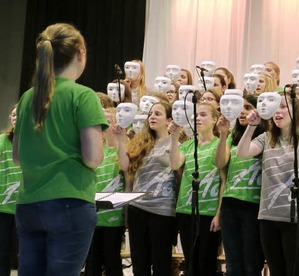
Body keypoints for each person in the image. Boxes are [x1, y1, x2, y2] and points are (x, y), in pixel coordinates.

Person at [12, 23, 107, 276]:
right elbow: (93, 158)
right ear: (80, 52)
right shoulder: (84, 96)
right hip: (70, 203)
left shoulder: (27, 97)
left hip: (29, 203)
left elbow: (18, 157)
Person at [237, 92, 299, 276]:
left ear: (296, 112)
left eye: (284, 107)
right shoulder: (266, 137)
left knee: (296, 270)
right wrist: (252, 127)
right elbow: (242, 152)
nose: (278, 111)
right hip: (268, 216)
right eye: (275, 107)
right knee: (276, 270)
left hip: (296, 217)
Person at [116, 101, 177, 276]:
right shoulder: (141, 141)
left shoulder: (173, 142)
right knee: (139, 264)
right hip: (138, 208)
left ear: (169, 120)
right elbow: (125, 166)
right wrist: (121, 139)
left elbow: (175, 165)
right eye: (151, 113)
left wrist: (174, 137)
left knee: (161, 264)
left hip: (162, 210)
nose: (152, 117)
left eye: (158, 114)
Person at [215, 94, 268, 276]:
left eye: (248, 107)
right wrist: (223, 135)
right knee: (233, 264)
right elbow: (220, 162)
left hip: (254, 206)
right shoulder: (232, 136)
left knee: (251, 265)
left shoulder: (266, 137)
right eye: (241, 108)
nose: (243, 112)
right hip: (230, 205)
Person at [169, 102, 223, 276]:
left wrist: (219, 213)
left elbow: (224, 181)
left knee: (206, 263)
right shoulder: (188, 145)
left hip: (208, 212)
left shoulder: (219, 145)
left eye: (203, 115)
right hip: (186, 210)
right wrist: (174, 137)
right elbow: (174, 163)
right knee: (190, 262)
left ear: (215, 119)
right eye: (196, 115)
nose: (198, 118)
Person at [85, 108, 125, 276]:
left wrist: (121, 140)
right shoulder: (94, 149)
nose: (103, 125)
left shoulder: (123, 148)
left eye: (108, 121)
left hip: (113, 217)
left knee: (112, 261)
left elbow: (126, 168)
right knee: (91, 262)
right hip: (93, 215)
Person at [0, 105, 20, 276]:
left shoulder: (36, 142)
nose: (15, 117)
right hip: (3, 207)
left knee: (26, 254)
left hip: (26, 207)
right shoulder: (2, 141)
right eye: (13, 114)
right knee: (2, 253)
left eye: (19, 115)